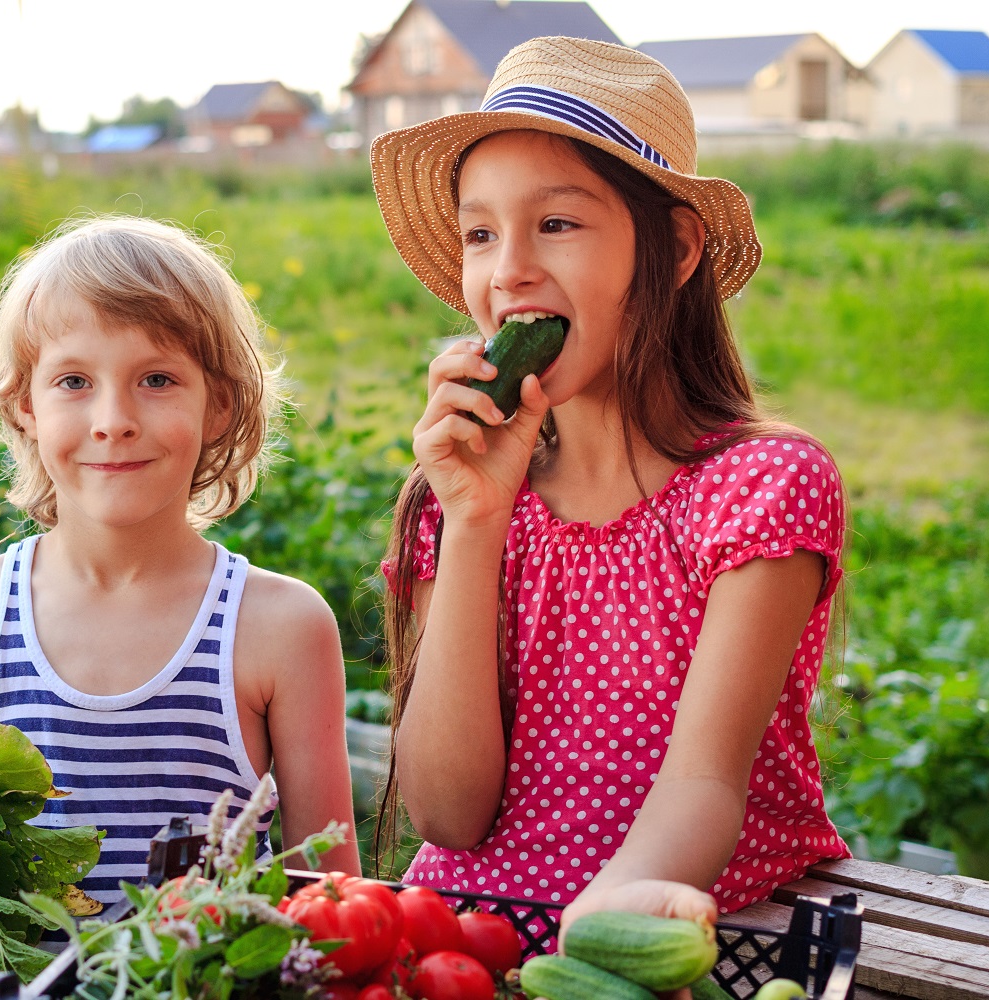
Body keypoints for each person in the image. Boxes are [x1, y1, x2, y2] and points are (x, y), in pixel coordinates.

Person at [372, 36, 849, 931]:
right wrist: (476, 520)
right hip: (464, 932)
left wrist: (579, 953)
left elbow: (703, 788)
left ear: (671, 249)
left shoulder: (760, 489)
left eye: (555, 223)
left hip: (669, 935)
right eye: (481, 234)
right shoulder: (459, 496)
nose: (506, 267)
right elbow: (446, 813)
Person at [0, 215, 360, 899]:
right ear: (26, 407)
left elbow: (333, 900)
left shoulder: (280, 626)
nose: (113, 418)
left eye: (158, 379)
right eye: (74, 382)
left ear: (219, 406)